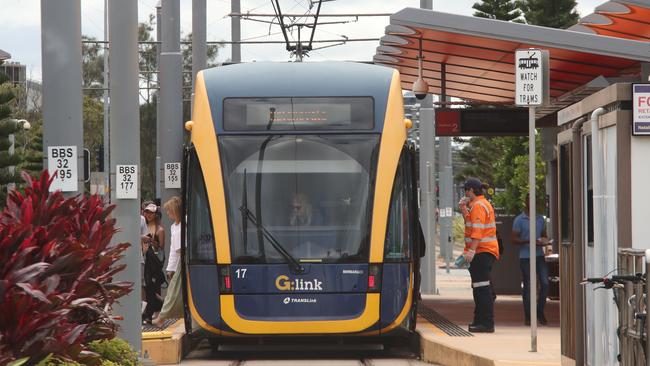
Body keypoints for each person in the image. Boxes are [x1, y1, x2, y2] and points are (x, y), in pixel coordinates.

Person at [459, 177, 499, 333]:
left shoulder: (478, 206)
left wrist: (471, 250)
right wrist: (464, 209)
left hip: (482, 251)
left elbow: (477, 230)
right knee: (480, 287)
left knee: (481, 288)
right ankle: (480, 320)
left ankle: (486, 322)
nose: (464, 194)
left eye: (465, 191)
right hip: (484, 251)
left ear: (470, 191)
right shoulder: (479, 205)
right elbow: (471, 224)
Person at [512, 194, 549, 326]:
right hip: (526, 257)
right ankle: (528, 315)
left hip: (539, 255)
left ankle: (540, 311)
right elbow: (514, 239)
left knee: (545, 283)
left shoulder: (540, 219)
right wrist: (529, 241)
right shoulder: (519, 220)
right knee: (528, 285)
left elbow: (544, 235)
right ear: (525, 202)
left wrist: (544, 241)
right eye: (529, 200)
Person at [153, 197, 184, 328]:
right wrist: (170, 268)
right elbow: (173, 249)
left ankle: (162, 317)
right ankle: (163, 317)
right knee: (173, 290)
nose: (167, 213)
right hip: (179, 262)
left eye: (169, 210)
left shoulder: (186, 222)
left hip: (184, 261)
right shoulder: (173, 227)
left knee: (174, 290)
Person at [141, 203, 166, 324]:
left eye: (151, 213)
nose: (148, 215)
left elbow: (161, 249)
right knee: (146, 287)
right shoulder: (142, 225)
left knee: (153, 287)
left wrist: (151, 241)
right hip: (144, 260)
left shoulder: (160, 230)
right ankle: (148, 312)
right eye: (146, 212)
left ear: (156, 214)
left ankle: (152, 313)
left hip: (154, 263)